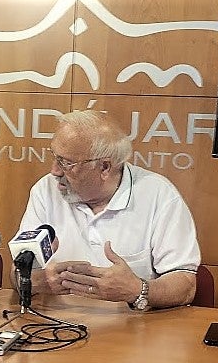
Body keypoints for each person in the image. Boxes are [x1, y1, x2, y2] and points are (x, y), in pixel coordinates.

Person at [15, 110, 200, 310]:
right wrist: (35, 281)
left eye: (66, 163)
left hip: (134, 325)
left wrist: (136, 290)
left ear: (104, 167)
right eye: (55, 157)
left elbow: (185, 285)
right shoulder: (46, 190)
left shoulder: (158, 194)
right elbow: (16, 272)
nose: (55, 171)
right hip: (53, 322)